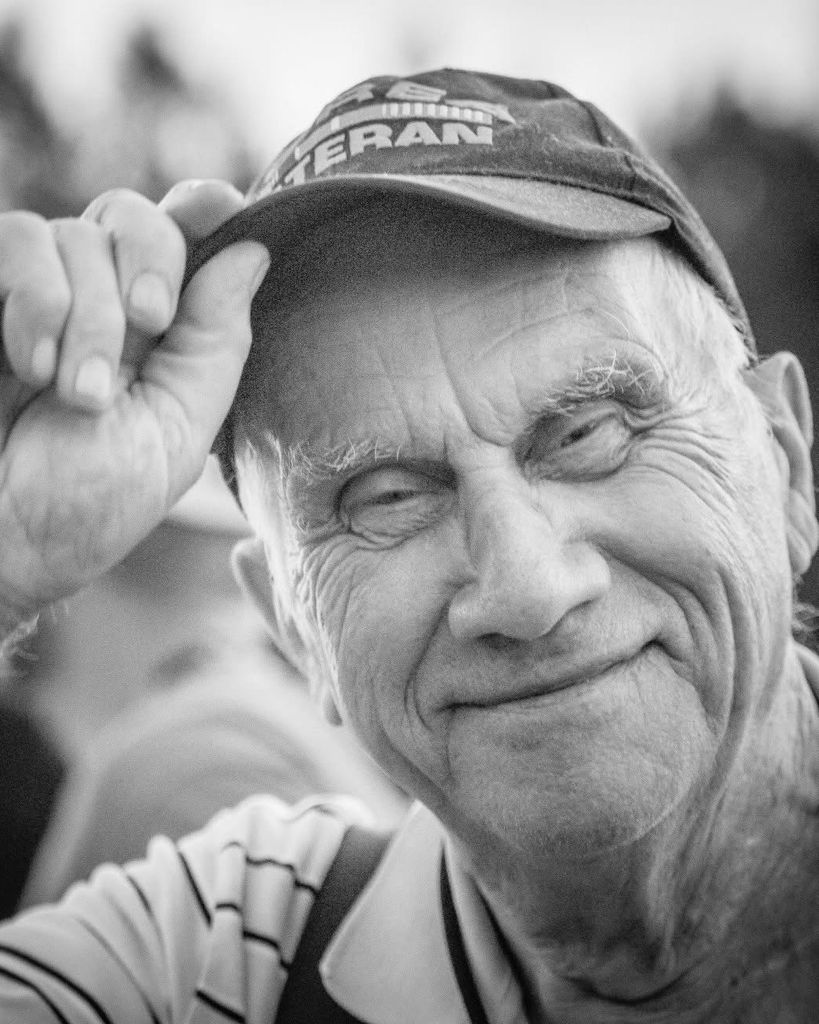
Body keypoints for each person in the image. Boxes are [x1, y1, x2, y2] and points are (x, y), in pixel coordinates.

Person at [0, 67, 817, 1022]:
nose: (526, 588)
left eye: (586, 433)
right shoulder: (212, 959)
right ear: (292, 627)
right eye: (385, 498)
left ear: (785, 462)